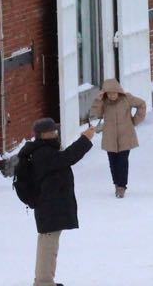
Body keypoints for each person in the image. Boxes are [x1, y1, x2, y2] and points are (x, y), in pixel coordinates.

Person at [21, 117, 95, 286]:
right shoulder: (43, 153)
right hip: (49, 206)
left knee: (48, 243)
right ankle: (43, 282)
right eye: (51, 132)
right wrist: (85, 139)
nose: (55, 134)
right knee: (48, 246)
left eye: (55, 131)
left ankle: (44, 280)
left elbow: (64, 158)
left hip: (50, 205)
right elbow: (67, 157)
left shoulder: (45, 150)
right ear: (42, 135)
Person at [88, 78, 146, 199]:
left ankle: (122, 187)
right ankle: (116, 183)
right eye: (109, 93)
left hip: (126, 136)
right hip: (110, 137)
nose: (112, 96)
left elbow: (141, 104)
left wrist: (135, 121)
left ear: (118, 92)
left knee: (123, 162)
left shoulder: (127, 99)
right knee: (113, 162)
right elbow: (96, 114)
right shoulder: (104, 102)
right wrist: (97, 101)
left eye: (114, 93)